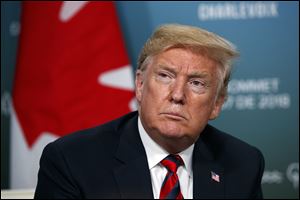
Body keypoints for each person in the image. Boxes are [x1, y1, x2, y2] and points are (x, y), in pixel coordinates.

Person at [34, 24, 265, 199]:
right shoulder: (73, 161)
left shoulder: (243, 164)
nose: (177, 95)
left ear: (217, 103)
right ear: (140, 85)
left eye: (196, 83)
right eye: (165, 76)